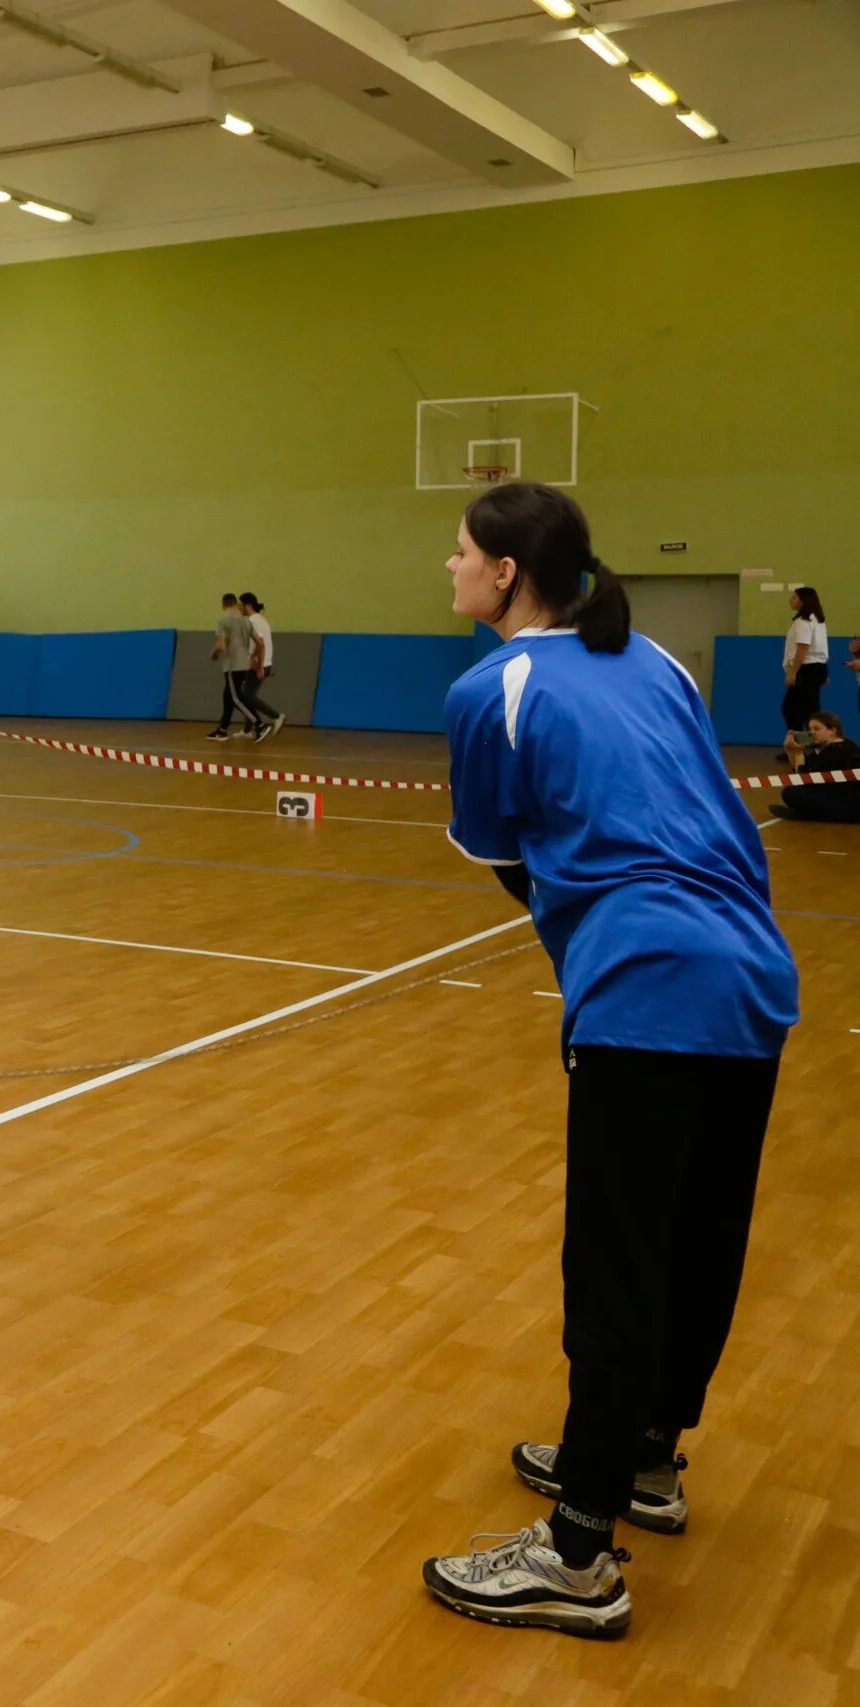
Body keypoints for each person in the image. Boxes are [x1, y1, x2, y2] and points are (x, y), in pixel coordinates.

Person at [423, 481, 798, 1639]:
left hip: (647, 988)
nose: (448, 568)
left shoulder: (495, 686)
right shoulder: (658, 665)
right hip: (753, 970)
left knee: (618, 1261)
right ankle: (645, 1459)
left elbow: (501, 851)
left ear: (502, 575)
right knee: (697, 1239)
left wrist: (595, 942)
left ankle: (580, 1551)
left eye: (458, 553)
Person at [770, 709, 860, 824]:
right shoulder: (829, 748)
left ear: (832, 730)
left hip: (849, 806)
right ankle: (808, 813)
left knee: (790, 792)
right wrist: (791, 751)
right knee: (793, 791)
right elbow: (800, 772)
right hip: (843, 801)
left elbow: (803, 781)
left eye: (817, 729)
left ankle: (806, 815)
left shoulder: (839, 750)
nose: (812, 733)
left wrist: (798, 753)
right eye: (810, 729)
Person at [780, 585, 829, 763]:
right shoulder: (818, 620)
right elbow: (820, 649)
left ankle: (803, 749)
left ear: (802, 601)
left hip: (806, 670)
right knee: (808, 710)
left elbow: (803, 648)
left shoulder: (803, 621)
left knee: (793, 709)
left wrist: (793, 673)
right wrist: (823, 673)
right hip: (816, 668)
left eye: (794, 597)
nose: (791, 601)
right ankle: (807, 749)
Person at [207, 593, 258, 740]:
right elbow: (260, 642)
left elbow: (221, 645)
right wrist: (254, 658)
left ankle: (259, 723)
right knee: (229, 696)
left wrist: (214, 654)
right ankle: (223, 729)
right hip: (244, 664)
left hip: (232, 665)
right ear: (235, 603)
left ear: (223, 605)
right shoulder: (246, 621)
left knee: (236, 698)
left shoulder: (223, 620)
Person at [238, 592, 286, 742]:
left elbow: (261, 644)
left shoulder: (251, 621)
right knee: (246, 695)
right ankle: (247, 730)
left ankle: (276, 716)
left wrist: (258, 666)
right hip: (264, 663)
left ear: (248, 605)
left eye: (241, 604)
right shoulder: (262, 620)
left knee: (246, 697)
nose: (239, 608)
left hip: (259, 665)